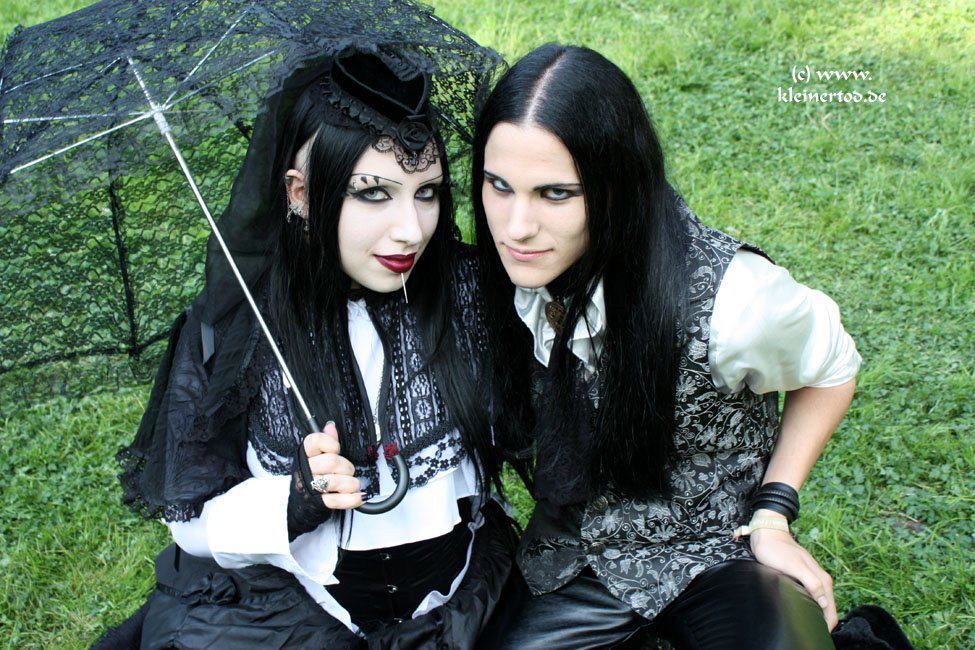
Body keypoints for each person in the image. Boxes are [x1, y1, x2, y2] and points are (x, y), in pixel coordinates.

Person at [105, 43, 519, 649]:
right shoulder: (242, 326)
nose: (411, 229)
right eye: (373, 193)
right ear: (298, 192)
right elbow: (189, 521)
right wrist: (294, 500)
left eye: (426, 191)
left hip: (461, 600)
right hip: (293, 613)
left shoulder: (470, 290)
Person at [473, 43, 862, 649]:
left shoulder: (738, 302)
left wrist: (773, 512)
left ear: (617, 187)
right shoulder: (499, 276)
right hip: (576, 556)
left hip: (720, 549)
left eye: (556, 194)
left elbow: (832, 368)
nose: (516, 227)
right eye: (499, 185)